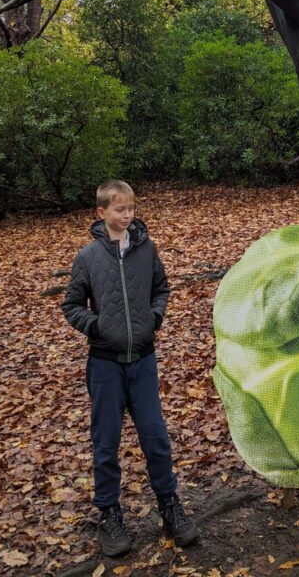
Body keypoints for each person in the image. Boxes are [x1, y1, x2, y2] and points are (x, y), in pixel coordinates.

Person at [62, 179, 199, 555]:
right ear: (101, 212)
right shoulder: (88, 257)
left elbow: (161, 288)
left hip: (143, 360)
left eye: (131, 209)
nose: (127, 215)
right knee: (106, 443)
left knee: (155, 437)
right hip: (104, 365)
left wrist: (154, 318)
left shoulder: (146, 249)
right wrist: (97, 326)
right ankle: (109, 513)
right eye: (120, 209)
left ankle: (170, 506)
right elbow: (71, 305)